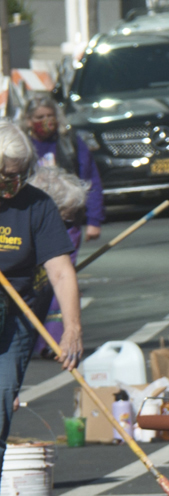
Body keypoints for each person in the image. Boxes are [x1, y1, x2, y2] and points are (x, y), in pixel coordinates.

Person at [0, 124, 82, 435]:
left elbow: (61, 271)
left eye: (21, 174)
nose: (15, 184)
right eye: (7, 176)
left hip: (14, 315)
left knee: (0, 408)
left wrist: (72, 328)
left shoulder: (38, 205)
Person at [24, 93, 101, 241]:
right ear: (28, 121)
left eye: (50, 115)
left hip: (67, 220)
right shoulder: (23, 147)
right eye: (40, 117)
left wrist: (94, 220)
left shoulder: (70, 144)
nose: (47, 121)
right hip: (32, 220)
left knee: (63, 262)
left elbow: (90, 180)